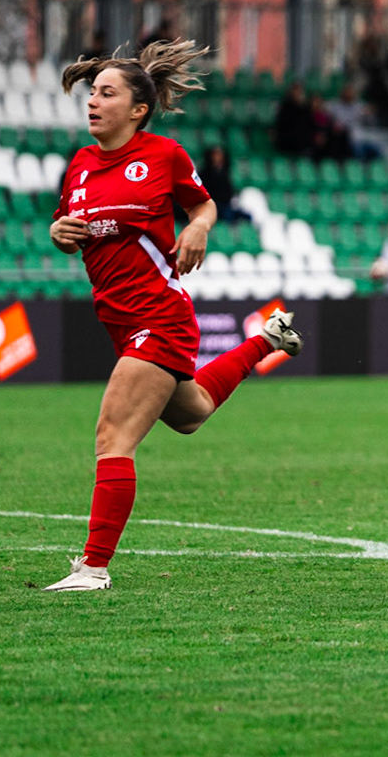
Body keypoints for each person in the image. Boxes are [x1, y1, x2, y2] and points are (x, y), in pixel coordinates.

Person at [40, 41, 302, 592]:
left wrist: (200, 226)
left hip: (159, 317)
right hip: (119, 320)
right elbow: (70, 229)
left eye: (107, 93)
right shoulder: (81, 165)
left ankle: (92, 569)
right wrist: (57, 232)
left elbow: (202, 204)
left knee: (113, 437)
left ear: (138, 109)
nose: (93, 102)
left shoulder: (163, 156)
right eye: (92, 92)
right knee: (191, 413)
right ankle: (267, 339)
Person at [197, 144, 249, 228]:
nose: (218, 157)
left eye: (220, 154)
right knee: (227, 215)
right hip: (212, 205)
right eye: (216, 154)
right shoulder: (204, 174)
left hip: (226, 204)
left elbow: (229, 191)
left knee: (246, 216)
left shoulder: (225, 173)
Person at [272, 80, 315, 156]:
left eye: (300, 91)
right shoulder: (285, 107)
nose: (298, 93)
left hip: (302, 143)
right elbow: (284, 125)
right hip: (288, 142)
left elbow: (308, 124)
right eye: (296, 90)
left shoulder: (305, 107)